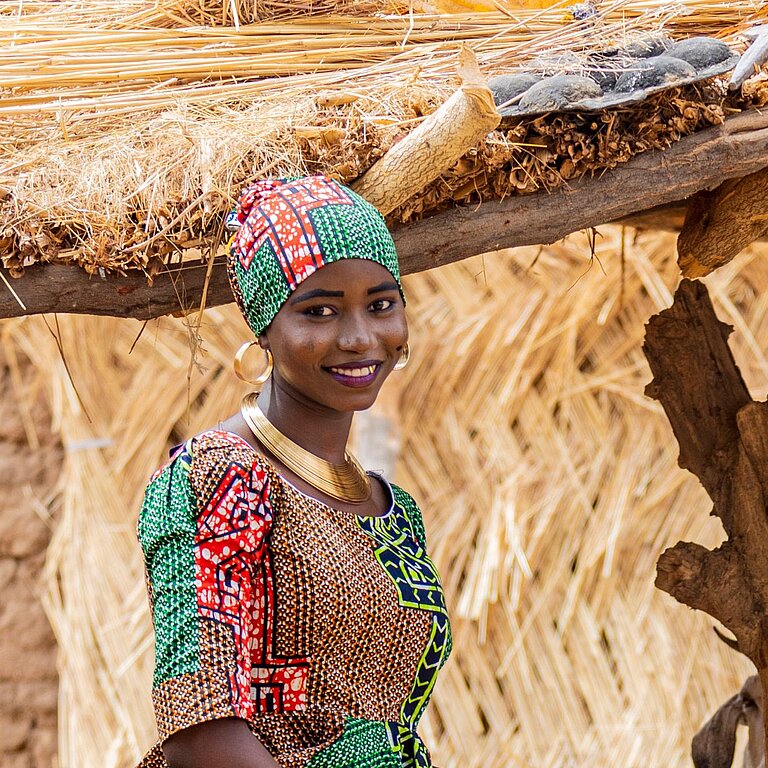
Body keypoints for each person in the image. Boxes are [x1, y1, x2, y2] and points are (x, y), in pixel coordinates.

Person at [136, 175, 452, 768]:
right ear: (264, 329)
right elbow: (201, 728)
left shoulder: (393, 510)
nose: (360, 338)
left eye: (381, 305)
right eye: (319, 311)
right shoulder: (221, 477)